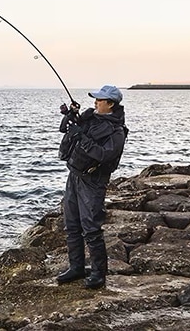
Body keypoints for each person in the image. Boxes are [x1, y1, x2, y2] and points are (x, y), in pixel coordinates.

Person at [56, 85, 127, 289]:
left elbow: (103, 155)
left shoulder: (117, 132)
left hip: (93, 182)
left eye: (100, 100)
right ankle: (76, 267)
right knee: (71, 225)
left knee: (91, 228)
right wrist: (71, 116)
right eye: (95, 99)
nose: (95, 102)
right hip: (75, 176)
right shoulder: (90, 117)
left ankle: (98, 274)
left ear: (111, 104)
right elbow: (66, 129)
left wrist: (82, 137)